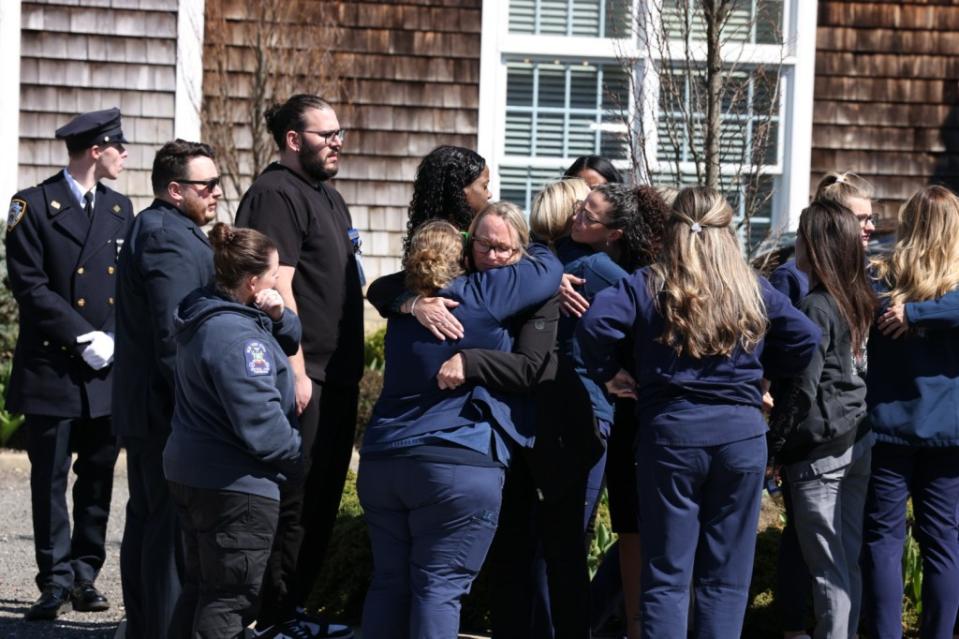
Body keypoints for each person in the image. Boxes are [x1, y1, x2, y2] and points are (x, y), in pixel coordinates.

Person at [577, 186, 821, 638]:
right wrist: (764, 373)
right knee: (726, 578)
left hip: (670, 436)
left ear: (672, 232)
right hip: (740, 438)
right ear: (726, 233)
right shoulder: (751, 287)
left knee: (667, 576)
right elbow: (805, 337)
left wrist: (609, 373)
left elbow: (594, 325)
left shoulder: (648, 282)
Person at [358, 208, 563, 638]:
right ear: (466, 251)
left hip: (382, 460)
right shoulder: (487, 291)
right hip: (456, 462)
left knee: (389, 583)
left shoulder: (405, 308)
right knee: (439, 588)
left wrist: (412, 301)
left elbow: (378, 288)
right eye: (482, 243)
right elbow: (548, 267)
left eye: (499, 247)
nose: (491, 254)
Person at [234, 94, 362, 638]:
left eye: (338, 133)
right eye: (325, 134)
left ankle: (292, 611)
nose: (336, 143)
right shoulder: (274, 194)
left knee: (321, 499)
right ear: (293, 140)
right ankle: (267, 617)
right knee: (292, 499)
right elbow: (275, 284)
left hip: (341, 374)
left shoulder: (327, 196)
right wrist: (297, 368)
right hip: (305, 374)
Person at [5, 107, 133, 621]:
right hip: (54, 368)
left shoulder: (121, 210)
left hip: (105, 368)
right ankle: (53, 580)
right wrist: (83, 336)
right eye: (118, 146)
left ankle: (86, 574)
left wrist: (116, 339)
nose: (125, 155)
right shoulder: (31, 206)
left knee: (99, 476)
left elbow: (132, 288)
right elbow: (30, 288)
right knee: (50, 478)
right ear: (96, 149)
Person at [164, 223, 304, 639]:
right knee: (229, 600)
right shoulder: (239, 339)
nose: (279, 280)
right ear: (252, 281)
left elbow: (291, 339)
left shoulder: (211, 312)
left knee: (201, 589)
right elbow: (260, 422)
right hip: (234, 487)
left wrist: (278, 314)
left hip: (194, 474)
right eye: (274, 273)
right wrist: (297, 456)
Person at [113, 139, 221, 639]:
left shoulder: (161, 226)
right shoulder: (168, 237)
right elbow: (173, 333)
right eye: (207, 185)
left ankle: (144, 626)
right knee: (167, 530)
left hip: (149, 408)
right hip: (167, 411)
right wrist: (197, 408)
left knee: (150, 519)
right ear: (175, 190)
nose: (217, 193)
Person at [766, 169, 876, 639]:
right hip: (856, 442)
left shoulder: (815, 306)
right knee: (844, 560)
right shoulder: (855, 296)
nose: (798, 247)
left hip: (820, 454)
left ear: (820, 246)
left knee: (828, 568)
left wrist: (774, 448)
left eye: (803, 239)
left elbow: (803, 389)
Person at [862, 185, 959, 639]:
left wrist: (915, 313)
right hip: (945, 432)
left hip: (890, 425)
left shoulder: (882, 276)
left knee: (885, 541)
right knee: (941, 543)